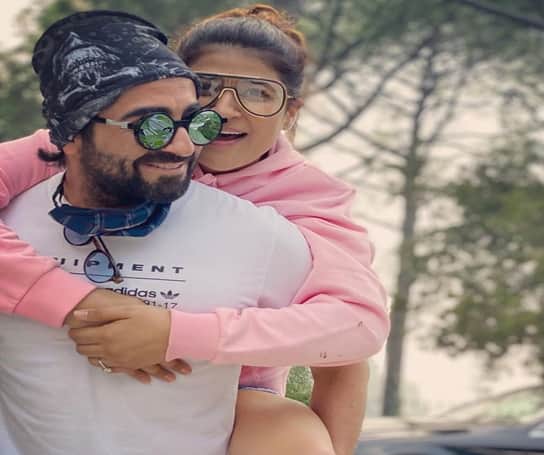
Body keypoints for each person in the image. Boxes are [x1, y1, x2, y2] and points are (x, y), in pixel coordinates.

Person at [0, 5, 389, 455]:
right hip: (60, 398)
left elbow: (352, 333)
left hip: (238, 390)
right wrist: (70, 299)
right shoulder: (101, 145)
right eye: (205, 87)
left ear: (289, 112)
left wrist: (177, 333)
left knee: (291, 433)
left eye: (258, 93)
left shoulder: (306, 203)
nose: (224, 110)